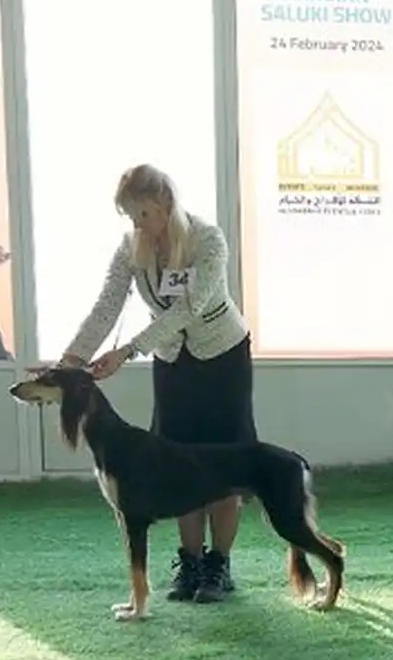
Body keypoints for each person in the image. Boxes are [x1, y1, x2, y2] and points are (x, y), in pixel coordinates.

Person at [53, 164, 255, 604]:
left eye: (142, 214)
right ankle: (191, 562)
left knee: (225, 460)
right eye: (130, 216)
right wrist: (71, 361)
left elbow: (189, 308)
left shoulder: (208, 239)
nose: (137, 225)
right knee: (177, 459)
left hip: (223, 356)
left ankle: (219, 565)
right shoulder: (132, 248)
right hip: (171, 360)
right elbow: (106, 306)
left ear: (165, 202)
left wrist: (128, 351)